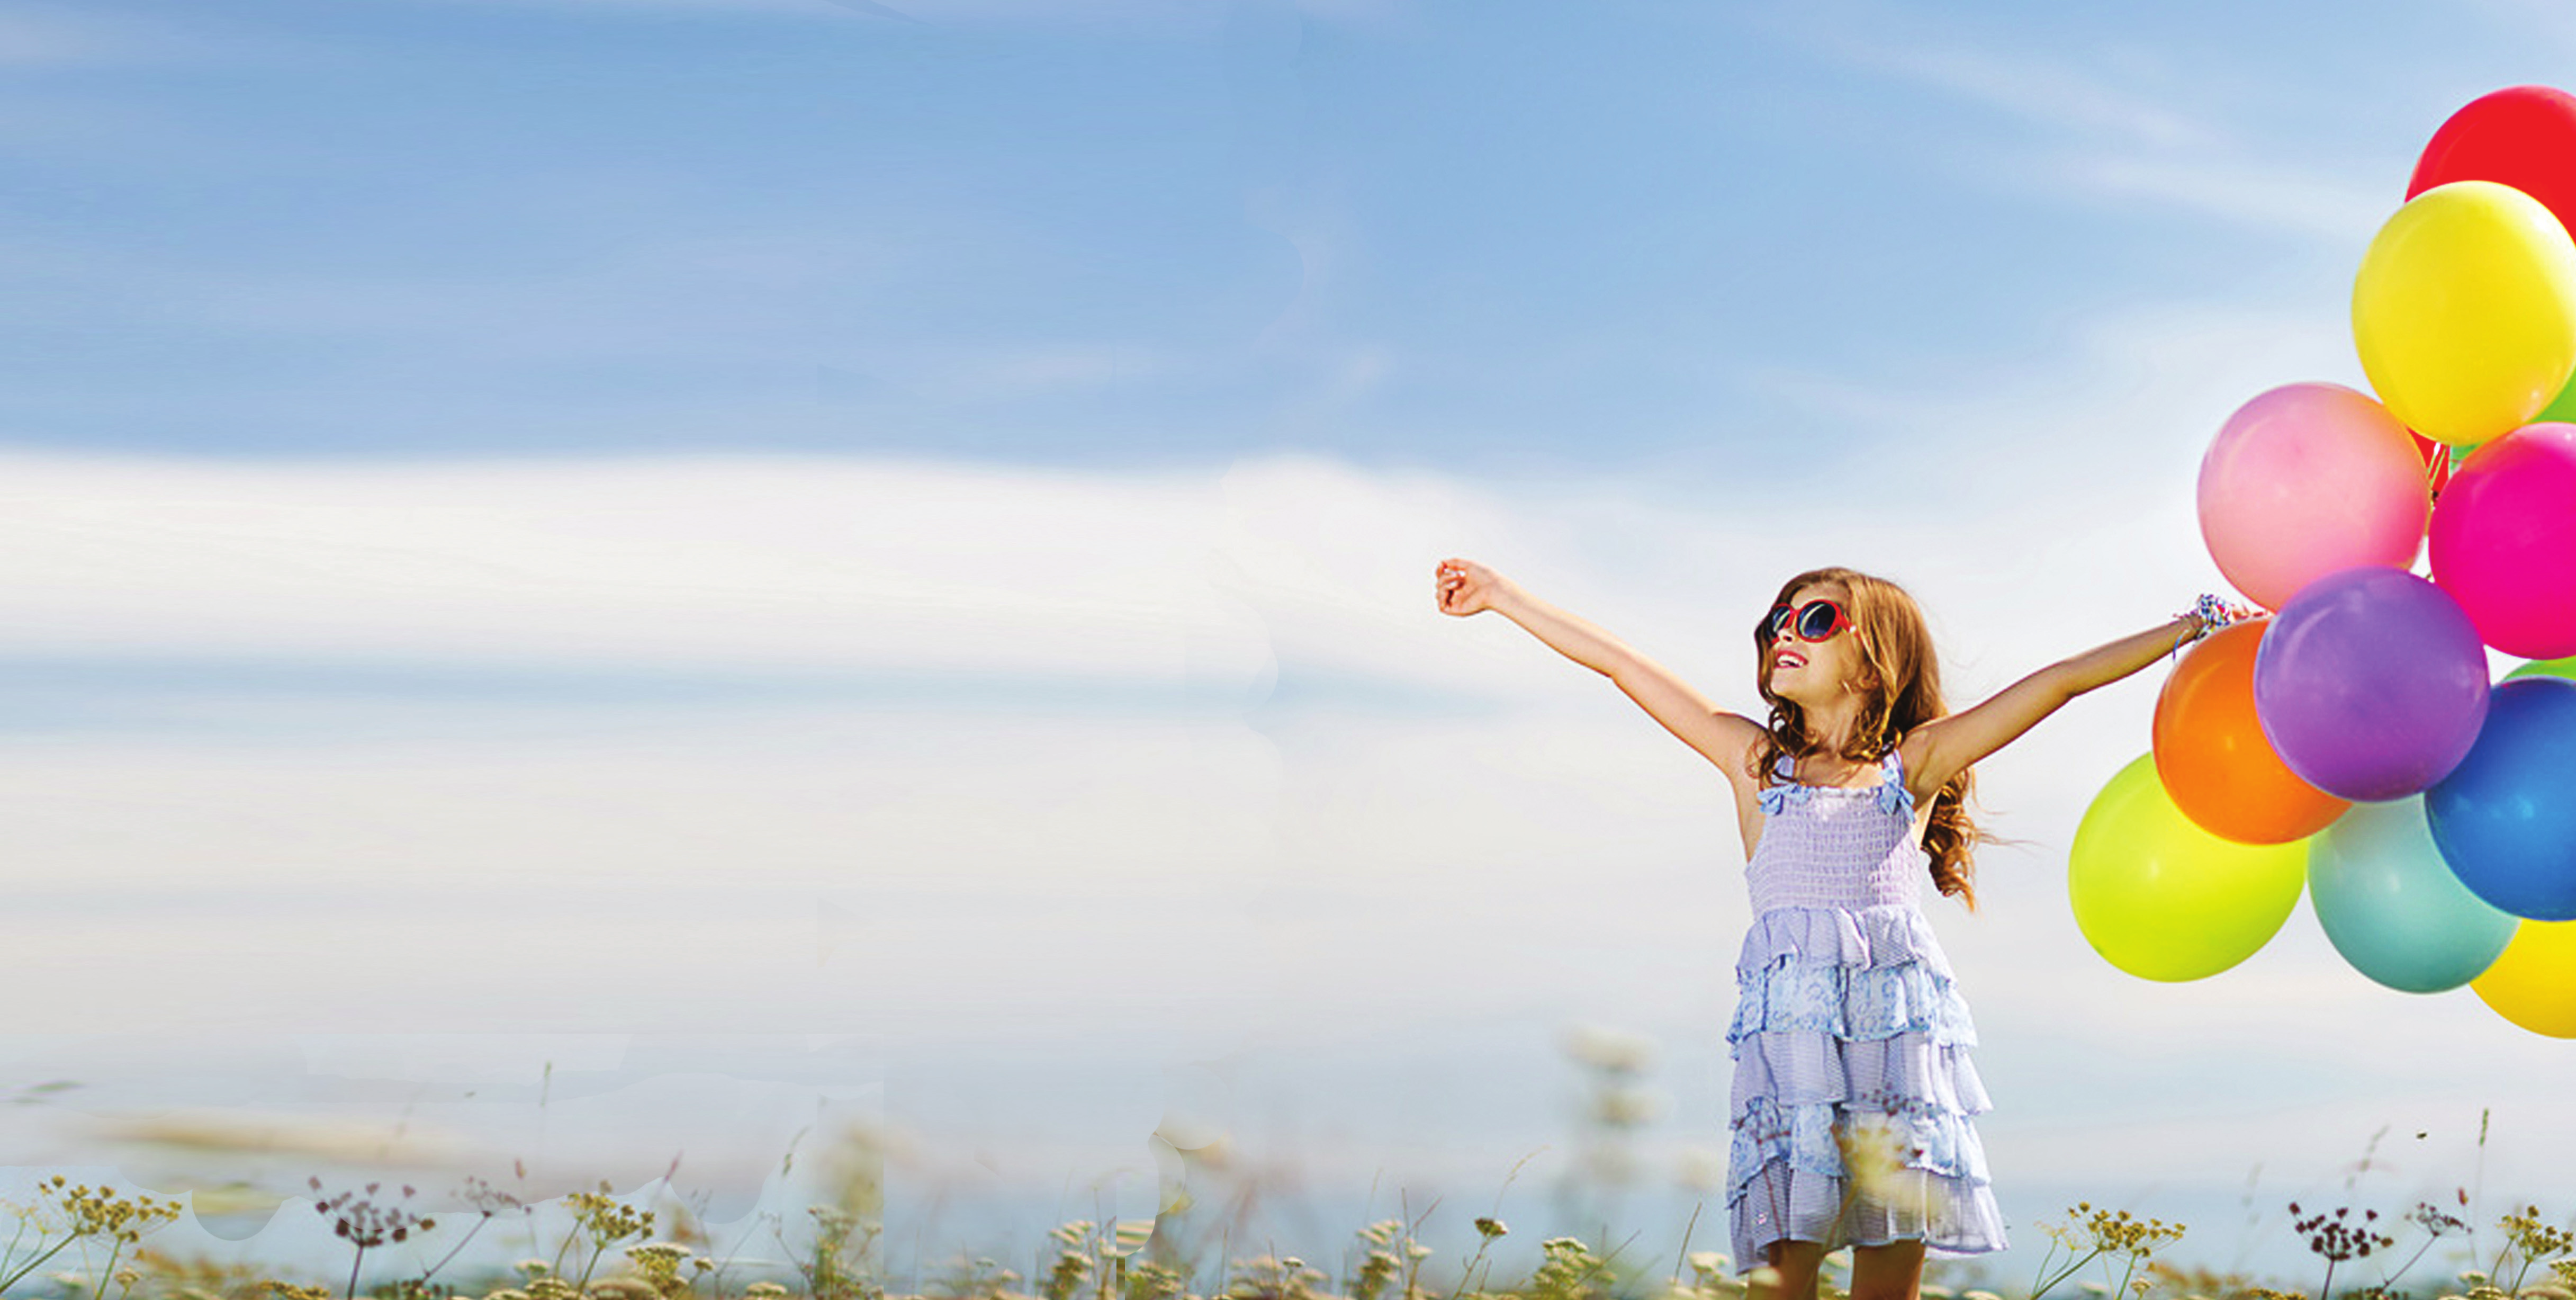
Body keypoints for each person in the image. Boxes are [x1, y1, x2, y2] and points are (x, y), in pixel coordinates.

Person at [1431, 558, 2240, 1300]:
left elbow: (2058, 682)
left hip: (1894, 1058)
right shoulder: (1754, 766)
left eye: (1815, 620)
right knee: (1785, 1277)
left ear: (1872, 659)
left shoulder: (1910, 767)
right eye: (1779, 620)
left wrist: (2190, 627)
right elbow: (1622, 664)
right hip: (1792, 1068)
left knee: (1887, 1280)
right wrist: (1503, 597)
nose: (1786, 631)